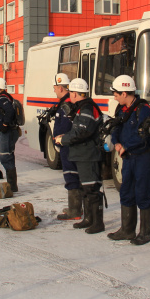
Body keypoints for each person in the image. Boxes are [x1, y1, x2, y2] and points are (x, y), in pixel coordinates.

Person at [107, 75, 150, 245]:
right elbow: (115, 127)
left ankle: (144, 233)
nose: (114, 97)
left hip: (143, 158)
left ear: (124, 93)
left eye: (116, 94)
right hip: (128, 158)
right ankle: (127, 230)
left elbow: (144, 135)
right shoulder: (121, 109)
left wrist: (126, 146)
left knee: (143, 193)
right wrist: (116, 142)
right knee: (126, 191)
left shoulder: (144, 110)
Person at [55, 78, 104, 234]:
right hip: (83, 154)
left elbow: (82, 132)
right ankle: (88, 219)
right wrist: (65, 137)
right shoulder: (83, 107)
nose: (69, 95)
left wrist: (63, 139)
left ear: (75, 93)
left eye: (71, 92)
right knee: (86, 188)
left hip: (88, 155)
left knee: (92, 189)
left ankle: (97, 223)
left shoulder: (87, 109)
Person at [50, 73, 83, 221]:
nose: (54, 91)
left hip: (68, 146)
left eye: (55, 88)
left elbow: (64, 128)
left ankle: (75, 211)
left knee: (71, 175)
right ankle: (75, 207)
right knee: (73, 175)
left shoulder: (66, 105)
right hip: (69, 145)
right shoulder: (66, 103)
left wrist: (58, 140)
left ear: (61, 88)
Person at [0, 77, 19, 192]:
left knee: (5, 157)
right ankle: (12, 186)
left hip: (7, 132)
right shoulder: (5, 97)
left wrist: (5, 124)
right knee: (9, 157)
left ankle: (11, 185)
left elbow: (10, 111)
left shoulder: (2, 99)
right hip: (9, 132)